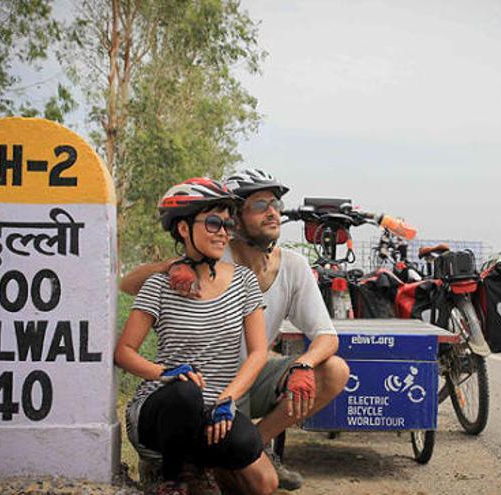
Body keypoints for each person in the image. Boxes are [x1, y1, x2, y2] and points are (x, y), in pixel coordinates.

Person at [121, 169, 350, 491]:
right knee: (222, 470)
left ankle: (257, 445)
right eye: (260, 205)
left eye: (275, 204)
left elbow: (326, 336)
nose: (273, 213)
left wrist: (303, 364)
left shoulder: (292, 266)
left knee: (334, 370)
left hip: (246, 380)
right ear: (237, 220)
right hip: (195, 386)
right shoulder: (212, 253)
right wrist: (173, 266)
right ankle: (178, 465)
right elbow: (128, 285)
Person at [115, 178, 278, 495]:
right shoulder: (159, 285)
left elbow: (259, 352)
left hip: (214, 409)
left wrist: (228, 400)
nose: (223, 233)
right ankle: (173, 478)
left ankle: (202, 464)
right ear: (183, 229)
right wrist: (165, 373)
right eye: (214, 223)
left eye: (227, 224)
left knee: (264, 482)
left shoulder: (243, 281)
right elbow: (124, 352)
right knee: (186, 392)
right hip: (161, 409)